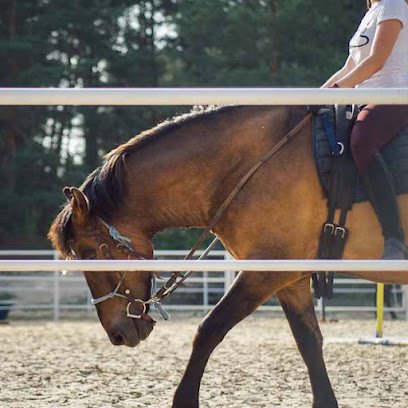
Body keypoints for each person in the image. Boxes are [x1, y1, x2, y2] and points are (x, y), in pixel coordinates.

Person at [322, 0, 408, 259]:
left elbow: (376, 61)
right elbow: (349, 67)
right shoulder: (372, 12)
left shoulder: (394, 5)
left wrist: (337, 91)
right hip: (364, 99)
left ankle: (395, 238)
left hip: (394, 96)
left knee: (361, 141)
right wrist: (316, 95)